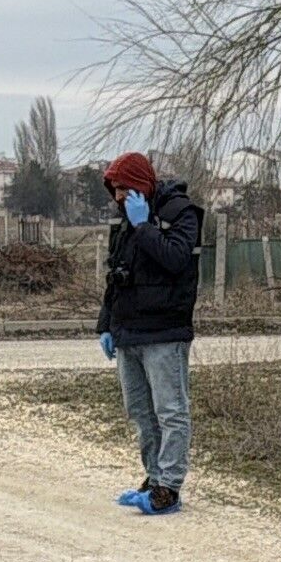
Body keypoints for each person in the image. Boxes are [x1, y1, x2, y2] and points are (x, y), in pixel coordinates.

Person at [95, 151, 202, 514]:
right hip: (129, 331)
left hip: (164, 330)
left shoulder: (181, 213)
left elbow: (175, 259)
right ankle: (154, 477)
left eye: (123, 188)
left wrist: (144, 228)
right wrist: (106, 324)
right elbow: (116, 276)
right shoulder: (124, 220)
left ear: (140, 185)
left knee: (170, 411)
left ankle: (169, 487)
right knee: (141, 411)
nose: (118, 196)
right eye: (114, 189)